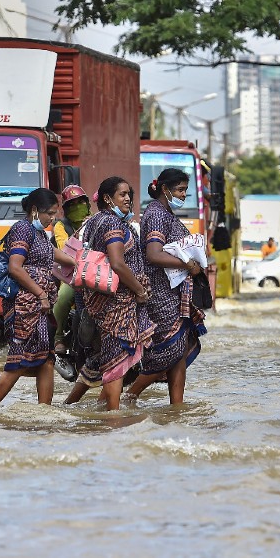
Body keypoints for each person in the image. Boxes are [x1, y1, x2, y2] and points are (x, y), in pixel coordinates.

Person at [64, 177, 153, 410]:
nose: (127, 199)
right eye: (122, 195)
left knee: (103, 356)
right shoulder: (113, 225)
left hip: (99, 300)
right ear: (107, 198)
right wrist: (140, 290)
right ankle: (112, 417)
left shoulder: (95, 221)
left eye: (129, 195)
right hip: (117, 303)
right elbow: (117, 263)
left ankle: (72, 405)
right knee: (116, 358)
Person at [0, 189, 76, 405]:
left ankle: (44, 411)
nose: (52, 218)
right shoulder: (22, 230)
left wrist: (78, 262)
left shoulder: (39, 234)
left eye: (55, 213)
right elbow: (15, 267)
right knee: (18, 361)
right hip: (25, 306)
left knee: (46, 359)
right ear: (35, 210)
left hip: (41, 308)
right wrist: (40, 294)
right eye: (49, 213)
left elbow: (52, 253)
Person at [126, 168, 205, 405]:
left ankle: (177, 406)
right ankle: (130, 395)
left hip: (174, 291)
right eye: (180, 190)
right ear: (164, 189)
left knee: (179, 350)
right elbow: (153, 254)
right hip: (160, 293)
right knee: (168, 350)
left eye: (185, 191)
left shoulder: (166, 213)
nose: (183, 195)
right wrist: (188, 263)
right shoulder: (157, 214)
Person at [51, 185, 91, 355]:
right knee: (64, 296)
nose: (78, 206)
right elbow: (64, 248)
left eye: (81, 202)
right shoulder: (61, 225)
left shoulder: (96, 220)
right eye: (73, 204)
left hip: (94, 269)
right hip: (71, 273)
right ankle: (57, 336)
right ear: (66, 209)